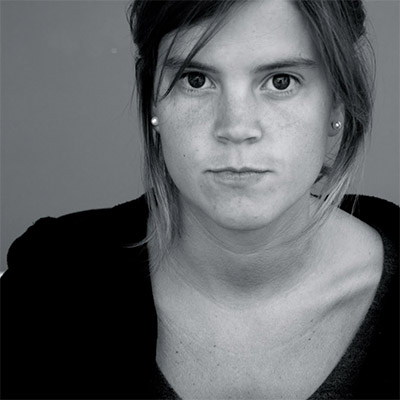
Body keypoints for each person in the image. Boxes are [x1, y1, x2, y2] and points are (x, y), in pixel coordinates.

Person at [1, 0, 398, 399]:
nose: (236, 128)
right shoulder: (48, 283)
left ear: (337, 104)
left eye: (281, 81)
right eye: (195, 80)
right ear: (153, 102)